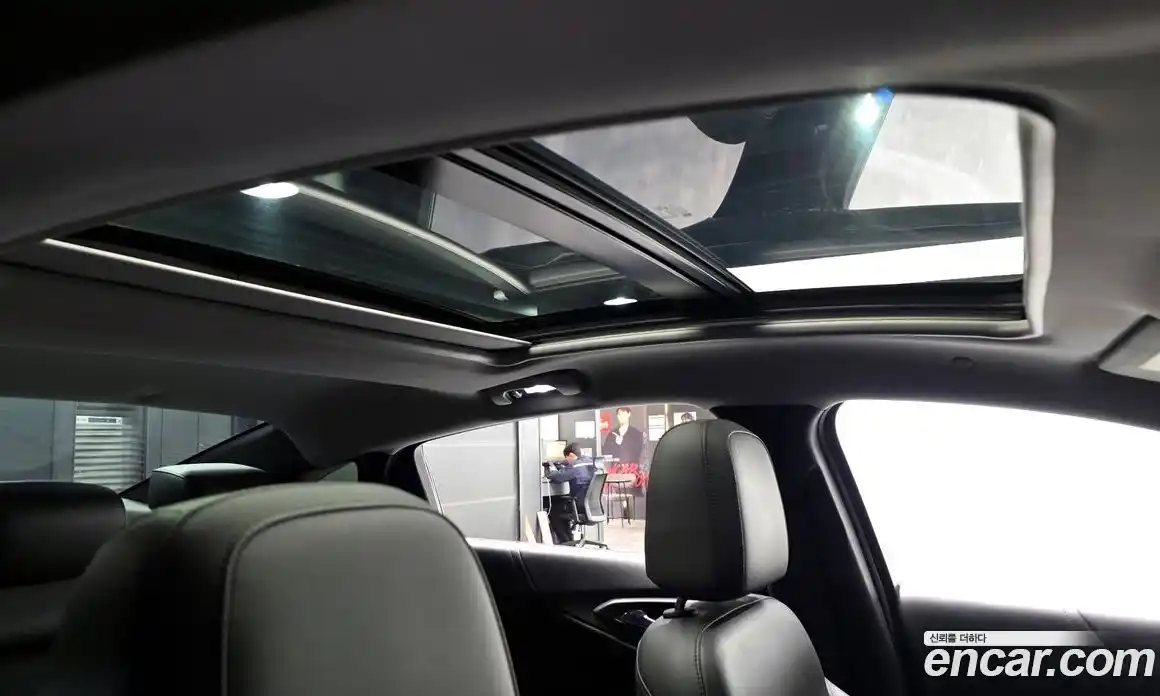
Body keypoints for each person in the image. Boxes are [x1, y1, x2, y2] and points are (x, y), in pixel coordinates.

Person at [543, 443, 594, 544]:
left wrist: (551, 471)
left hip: (579, 505)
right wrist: (564, 465)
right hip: (592, 505)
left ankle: (566, 543)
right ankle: (569, 541)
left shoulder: (575, 465)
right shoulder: (590, 462)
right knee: (559, 504)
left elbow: (557, 477)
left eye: (567, 458)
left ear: (571, 455)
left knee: (553, 509)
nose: (567, 461)